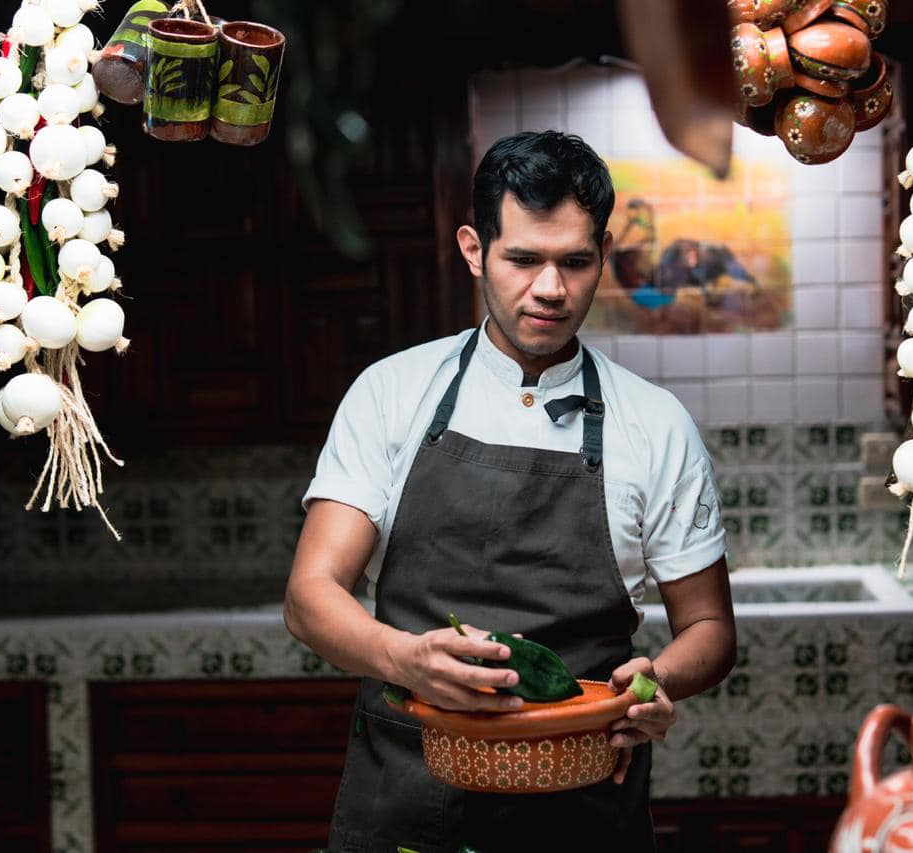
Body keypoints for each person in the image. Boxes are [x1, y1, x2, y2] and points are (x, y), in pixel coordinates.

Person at [285, 130, 736, 853]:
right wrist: (403, 659)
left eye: (575, 262)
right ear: (474, 250)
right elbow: (310, 596)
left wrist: (658, 680)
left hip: (584, 807)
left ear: (604, 254)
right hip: (408, 796)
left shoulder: (656, 424)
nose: (551, 289)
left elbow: (710, 629)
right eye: (523, 259)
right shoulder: (391, 393)